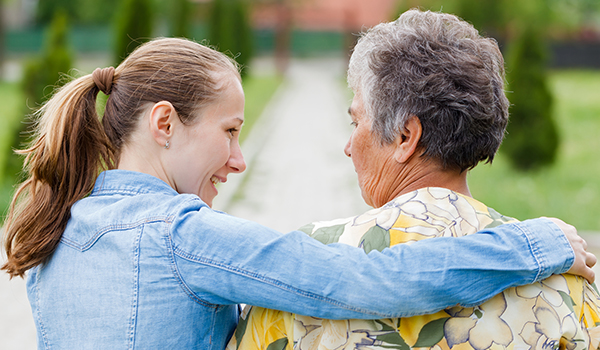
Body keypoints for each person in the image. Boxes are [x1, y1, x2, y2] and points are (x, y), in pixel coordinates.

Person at [0, 37, 593, 349]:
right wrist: (533, 244)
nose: (239, 159)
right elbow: (366, 283)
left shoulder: (55, 227)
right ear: (163, 124)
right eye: (230, 131)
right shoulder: (181, 236)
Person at [227, 9, 600, 350]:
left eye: (356, 122)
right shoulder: (566, 276)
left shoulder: (305, 268)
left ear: (406, 137)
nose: (347, 147)